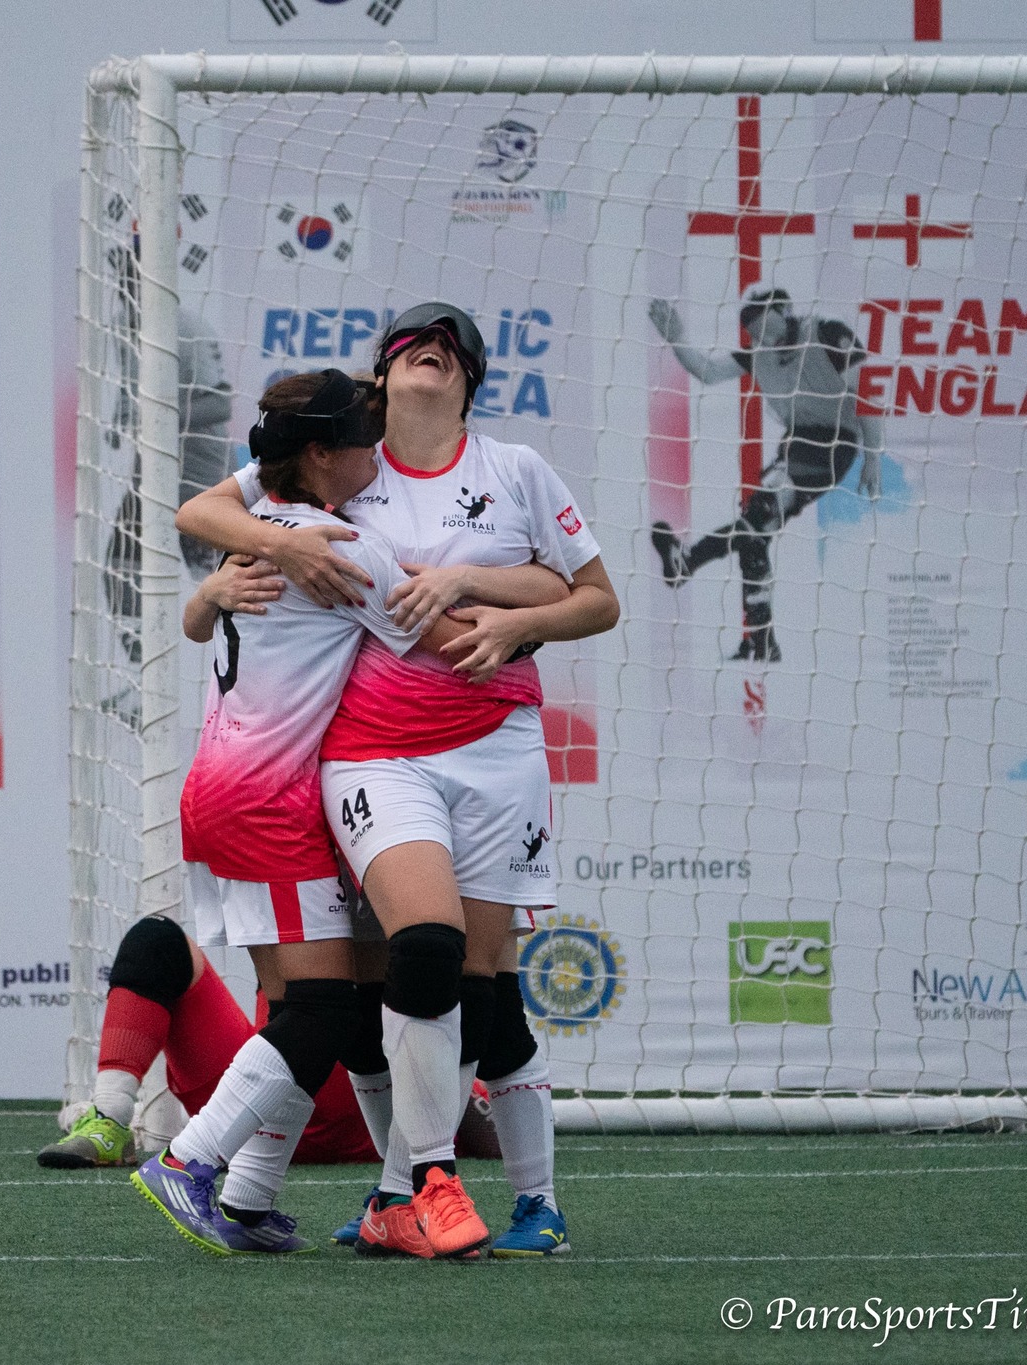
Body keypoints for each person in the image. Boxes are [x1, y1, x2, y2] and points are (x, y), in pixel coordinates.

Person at [178, 303, 618, 1259]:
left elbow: (590, 596)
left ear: (473, 380)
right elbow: (202, 512)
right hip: (369, 755)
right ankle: (401, 1181)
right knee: (404, 958)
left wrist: (498, 607)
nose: (436, 346)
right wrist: (253, 565)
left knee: (480, 989)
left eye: (454, 345)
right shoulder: (340, 470)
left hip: (497, 747)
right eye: (416, 340)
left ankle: (405, 1193)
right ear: (379, 379)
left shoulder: (512, 470)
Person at [34, 912, 499, 1170]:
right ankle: (110, 1117)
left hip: (347, 1114)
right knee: (157, 940)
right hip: (254, 1094)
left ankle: (248, 1200)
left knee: (409, 949)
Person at [645, 286, 885, 662]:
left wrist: (873, 457)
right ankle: (760, 640)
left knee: (759, 518)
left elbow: (866, 393)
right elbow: (708, 371)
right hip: (796, 445)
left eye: (764, 324)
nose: (761, 335)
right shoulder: (759, 353)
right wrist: (677, 338)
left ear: (783, 312)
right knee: (756, 531)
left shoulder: (826, 334)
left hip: (833, 445)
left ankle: (690, 562)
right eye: (754, 330)